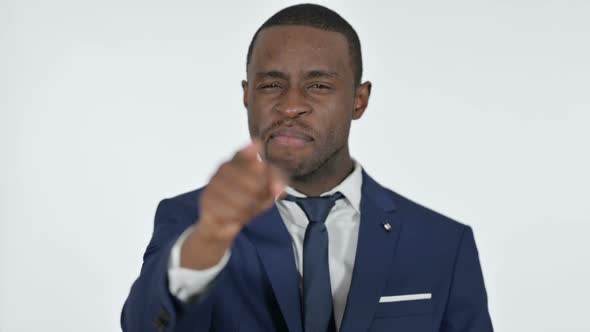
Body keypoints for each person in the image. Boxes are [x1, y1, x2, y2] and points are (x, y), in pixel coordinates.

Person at [121, 4, 493, 332]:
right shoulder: (190, 221)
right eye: (270, 85)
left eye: (317, 85)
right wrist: (210, 237)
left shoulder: (442, 243)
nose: (290, 106)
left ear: (359, 101)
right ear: (247, 96)